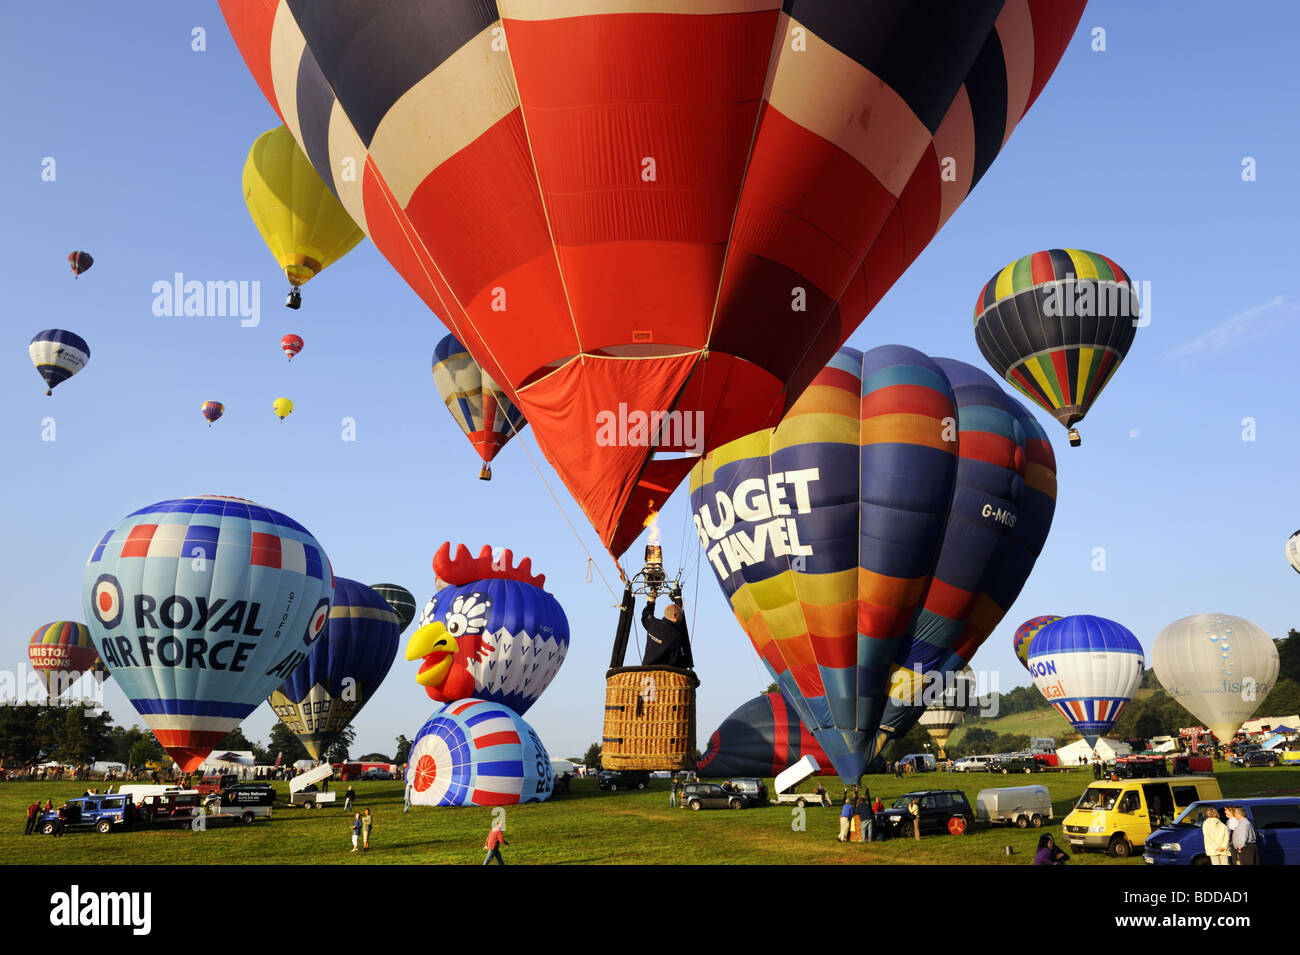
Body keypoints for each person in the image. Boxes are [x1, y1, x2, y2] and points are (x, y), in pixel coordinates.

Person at [642, 588, 693, 668]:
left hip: (645, 675)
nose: (682, 619)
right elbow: (676, 662)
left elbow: (645, 616)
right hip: (663, 676)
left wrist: (651, 602)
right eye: (680, 616)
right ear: (675, 615)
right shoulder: (676, 636)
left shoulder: (653, 624)